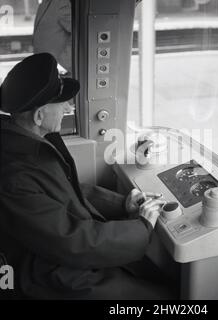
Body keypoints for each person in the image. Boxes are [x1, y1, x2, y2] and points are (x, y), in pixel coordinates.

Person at [0, 53, 175, 300]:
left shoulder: (27, 143)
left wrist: (121, 204)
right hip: (49, 276)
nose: (68, 108)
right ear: (39, 116)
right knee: (164, 297)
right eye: (61, 103)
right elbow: (70, 241)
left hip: (61, 259)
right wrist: (141, 227)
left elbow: (65, 190)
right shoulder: (14, 175)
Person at [33, 0, 72, 75]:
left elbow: (78, 33)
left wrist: (63, 65)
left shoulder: (61, 3)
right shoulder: (44, 3)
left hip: (58, 72)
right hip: (45, 68)